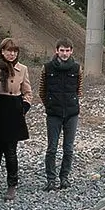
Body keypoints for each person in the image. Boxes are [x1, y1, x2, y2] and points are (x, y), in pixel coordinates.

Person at [0, 38, 32, 201]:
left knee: (11, 152)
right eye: (8, 50)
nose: (12, 54)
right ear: (2, 51)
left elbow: (28, 92)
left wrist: (24, 107)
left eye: (14, 51)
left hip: (13, 110)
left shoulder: (22, 69)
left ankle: (12, 184)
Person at [39, 38, 82, 192]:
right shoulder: (47, 68)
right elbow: (42, 90)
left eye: (67, 50)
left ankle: (64, 178)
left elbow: (79, 89)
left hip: (71, 113)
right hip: (53, 114)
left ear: (71, 51)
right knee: (52, 148)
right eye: (62, 50)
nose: (64, 53)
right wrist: (50, 105)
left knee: (68, 148)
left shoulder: (77, 68)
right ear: (56, 51)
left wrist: (72, 102)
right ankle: (51, 179)